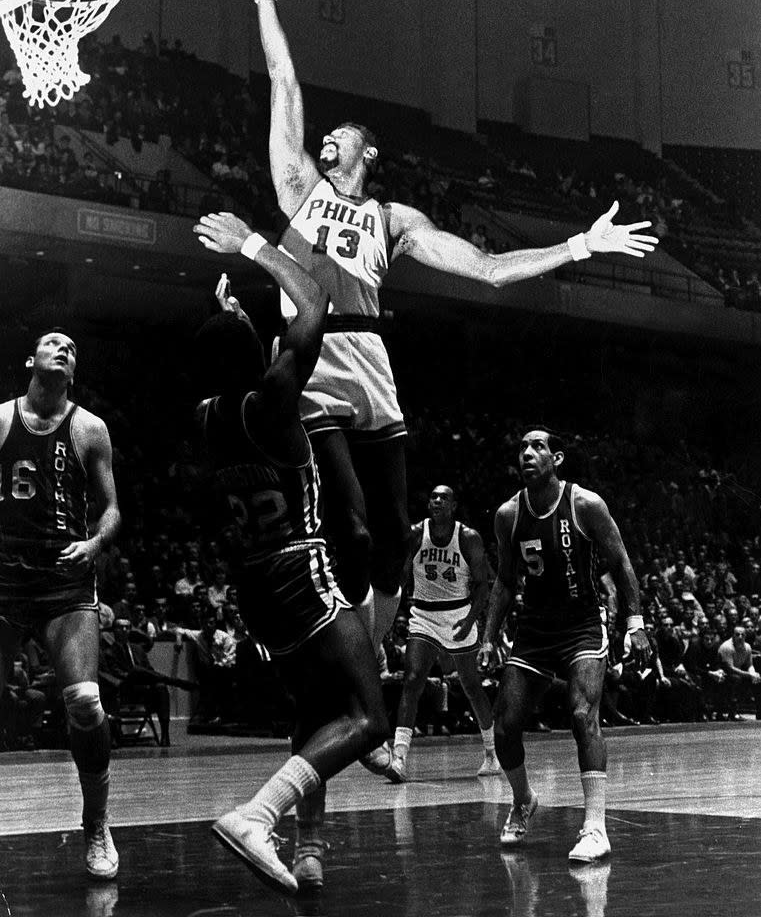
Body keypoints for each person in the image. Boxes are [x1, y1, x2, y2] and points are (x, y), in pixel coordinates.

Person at [219, 0, 658, 703]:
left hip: (375, 370)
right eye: (324, 136)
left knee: (391, 540)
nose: (326, 139)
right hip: (314, 365)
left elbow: (487, 270)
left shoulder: (394, 220)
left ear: (370, 151)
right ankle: (341, 671)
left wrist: (578, 245)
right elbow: (283, 77)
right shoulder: (295, 188)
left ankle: (372, 660)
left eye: (341, 135)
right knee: (349, 530)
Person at [192, 218, 388, 895]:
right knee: (368, 718)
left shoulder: (207, 416)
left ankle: (308, 847)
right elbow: (313, 302)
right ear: (258, 355)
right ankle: (258, 815)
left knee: (315, 711)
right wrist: (252, 246)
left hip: (254, 588)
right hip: (298, 571)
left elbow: (232, 355)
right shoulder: (276, 399)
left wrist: (230, 322)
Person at [478, 427, 650, 863]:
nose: (527, 453)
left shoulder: (585, 504)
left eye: (538, 447)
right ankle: (523, 800)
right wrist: (489, 635)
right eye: (522, 447)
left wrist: (635, 622)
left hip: (582, 625)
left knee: (581, 714)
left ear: (556, 459)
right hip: (534, 630)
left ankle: (595, 828)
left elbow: (622, 562)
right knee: (504, 725)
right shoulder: (507, 515)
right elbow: (503, 580)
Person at [0, 329, 121, 878]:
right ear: (32, 360)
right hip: (4, 575)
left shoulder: (90, 428)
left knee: (85, 701)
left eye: (73, 347)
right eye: (53, 342)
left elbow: (112, 508)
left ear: (73, 372)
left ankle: (96, 825)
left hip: (63, 579)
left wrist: (95, 543)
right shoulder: (1, 419)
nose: (65, 348)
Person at [385, 485, 499, 782]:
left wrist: (471, 620)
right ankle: (399, 757)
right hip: (423, 613)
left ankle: (492, 753)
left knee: (471, 684)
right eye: (432, 496)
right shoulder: (414, 534)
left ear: (454, 505)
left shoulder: (468, 538)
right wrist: (394, 612)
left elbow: (483, 585)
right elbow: (401, 574)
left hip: (458, 614)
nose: (435, 500)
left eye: (443, 497)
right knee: (412, 679)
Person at [99, 617, 172, 747]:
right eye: (120, 627)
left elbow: (149, 669)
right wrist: (133, 675)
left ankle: (165, 735)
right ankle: (115, 735)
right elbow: (115, 674)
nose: (124, 630)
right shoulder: (108, 652)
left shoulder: (138, 650)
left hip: (143, 691)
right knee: (112, 689)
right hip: (124, 690)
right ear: (114, 631)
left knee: (161, 687)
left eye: (127, 627)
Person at [718, 624, 761, 720]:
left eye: (742, 635)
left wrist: (753, 674)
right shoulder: (727, 647)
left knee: (757, 681)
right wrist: (749, 675)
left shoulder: (747, 647)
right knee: (736, 679)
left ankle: (759, 713)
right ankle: (732, 712)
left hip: (739, 673)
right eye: (737, 634)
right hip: (723, 674)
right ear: (733, 635)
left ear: (745, 636)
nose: (740, 637)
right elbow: (730, 668)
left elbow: (749, 665)